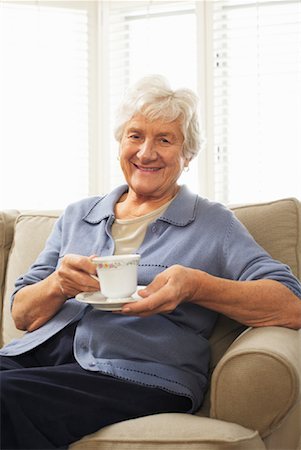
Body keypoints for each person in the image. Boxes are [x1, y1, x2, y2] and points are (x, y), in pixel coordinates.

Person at [1, 75, 301, 450]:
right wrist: (59, 284)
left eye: (164, 139)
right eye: (135, 136)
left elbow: (290, 304)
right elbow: (22, 315)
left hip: (137, 374)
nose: (146, 153)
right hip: (39, 359)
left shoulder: (213, 224)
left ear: (187, 155)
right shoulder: (78, 215)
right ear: (120, 143)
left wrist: (195, 285)